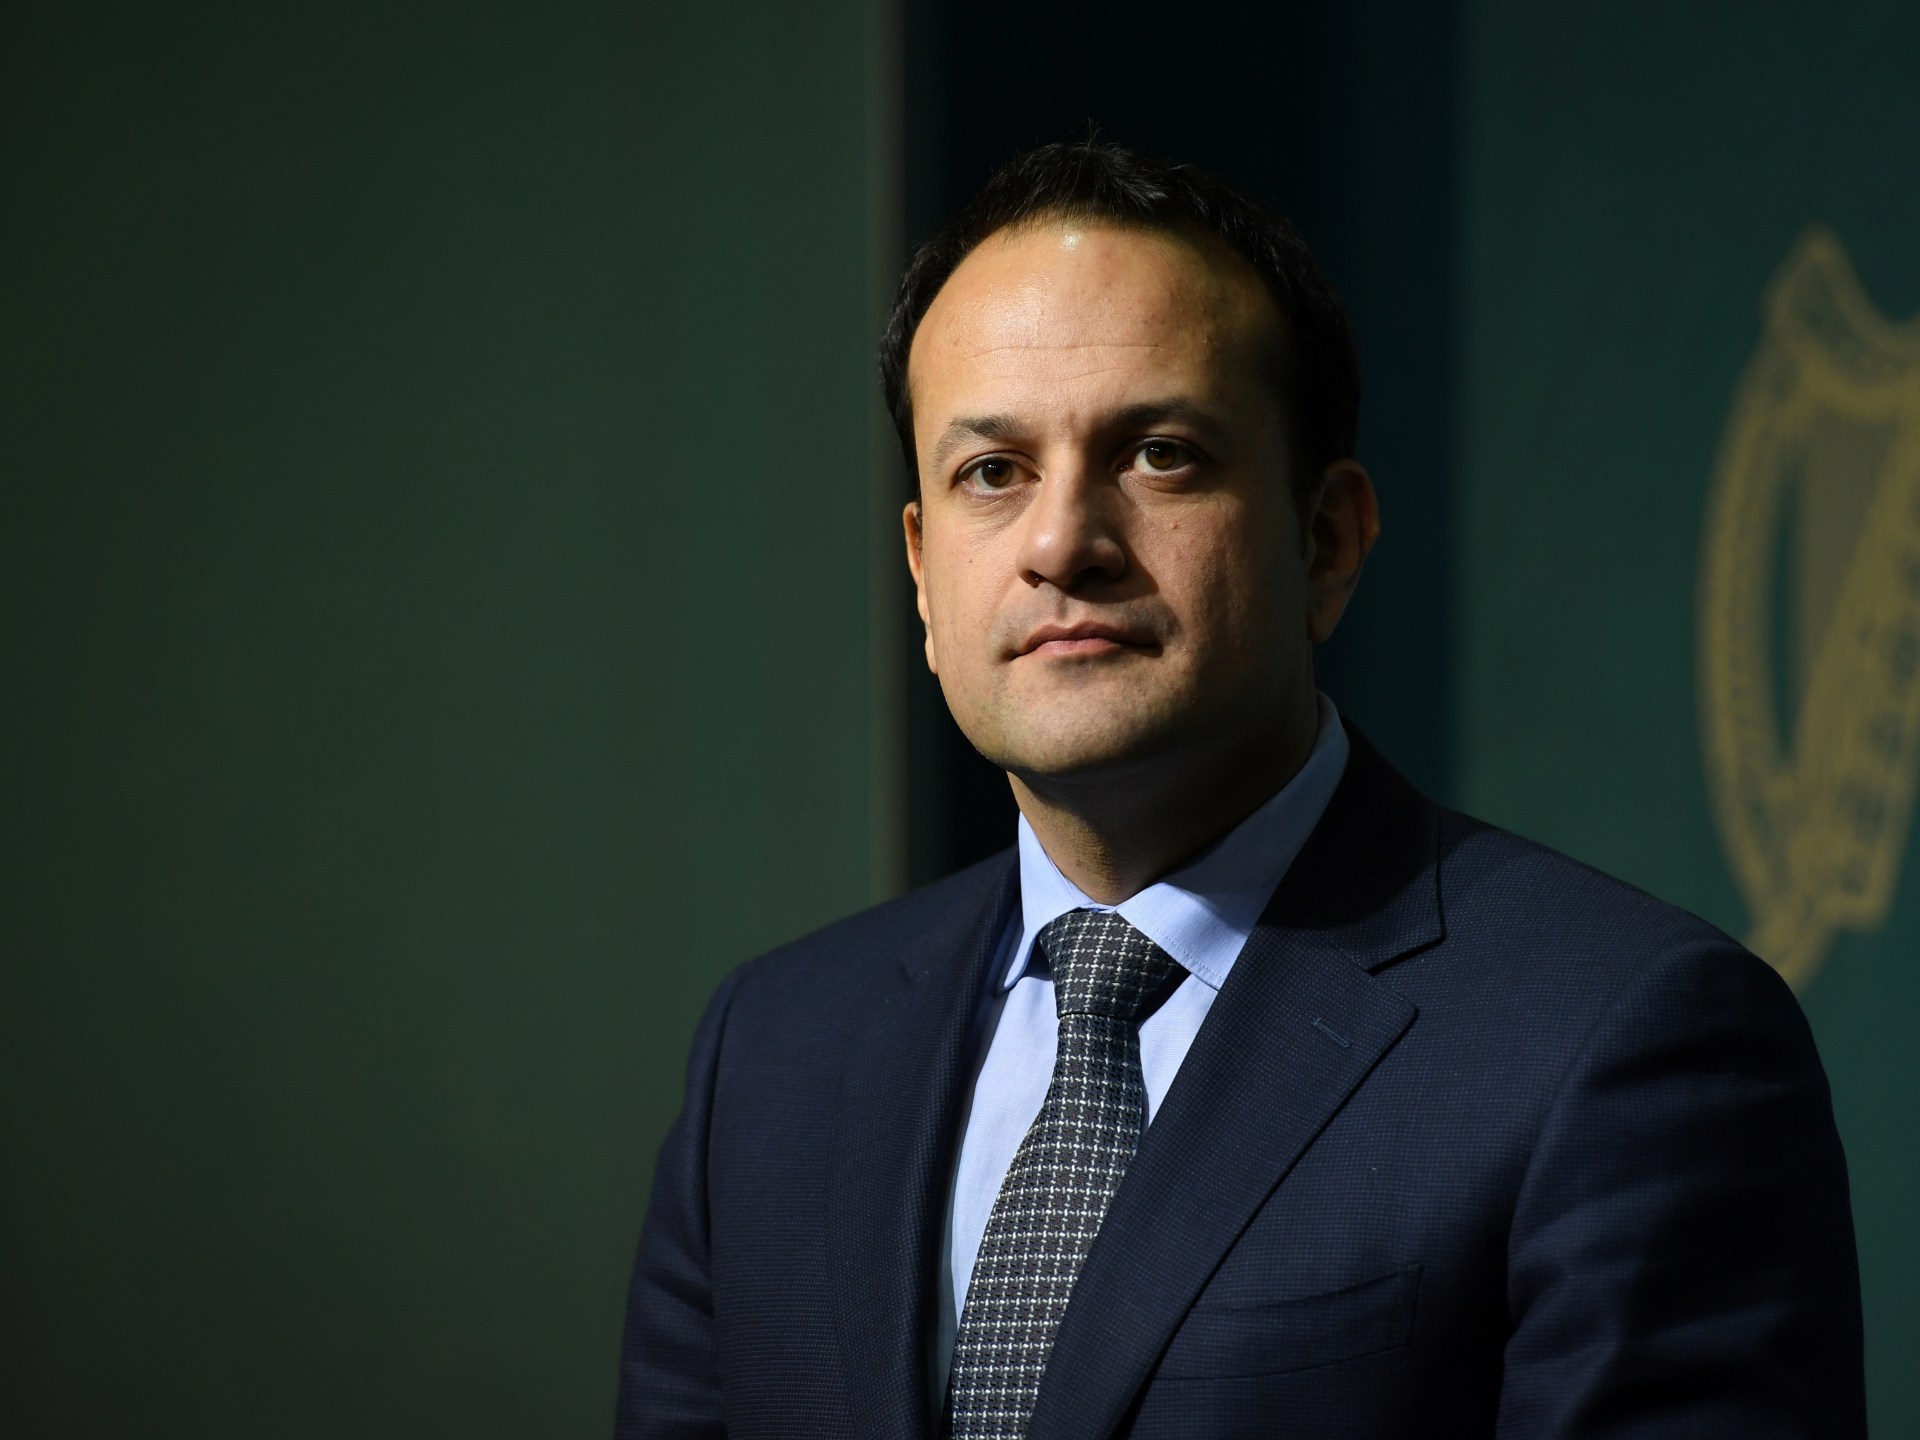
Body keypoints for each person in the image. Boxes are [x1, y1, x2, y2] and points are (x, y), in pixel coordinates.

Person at [613, 142, 1865, 1439]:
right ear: (924, 573)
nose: (1061, 542)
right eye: (993, 472)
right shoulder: (771, 1054)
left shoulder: (1618, 1041)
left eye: (1159, 454)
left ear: (1328, 541)